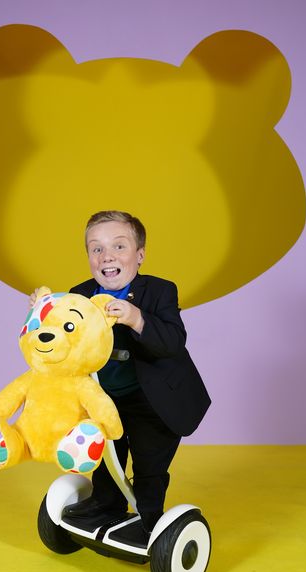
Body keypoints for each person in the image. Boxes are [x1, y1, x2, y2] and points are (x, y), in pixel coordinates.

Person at [32, 210, 211, 541]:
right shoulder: (79, 294)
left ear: (139, 255)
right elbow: (63, 340)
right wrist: (44, 310)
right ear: (88, 256)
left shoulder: (159, 292)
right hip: (105, 396)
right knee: (102, 452)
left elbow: (173, 342)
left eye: (118, 247)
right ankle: (106, 503)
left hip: (154, 398)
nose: (107, 256)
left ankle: (150, 515)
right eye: (96, 248)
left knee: (149, 460)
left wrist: (136, 317)